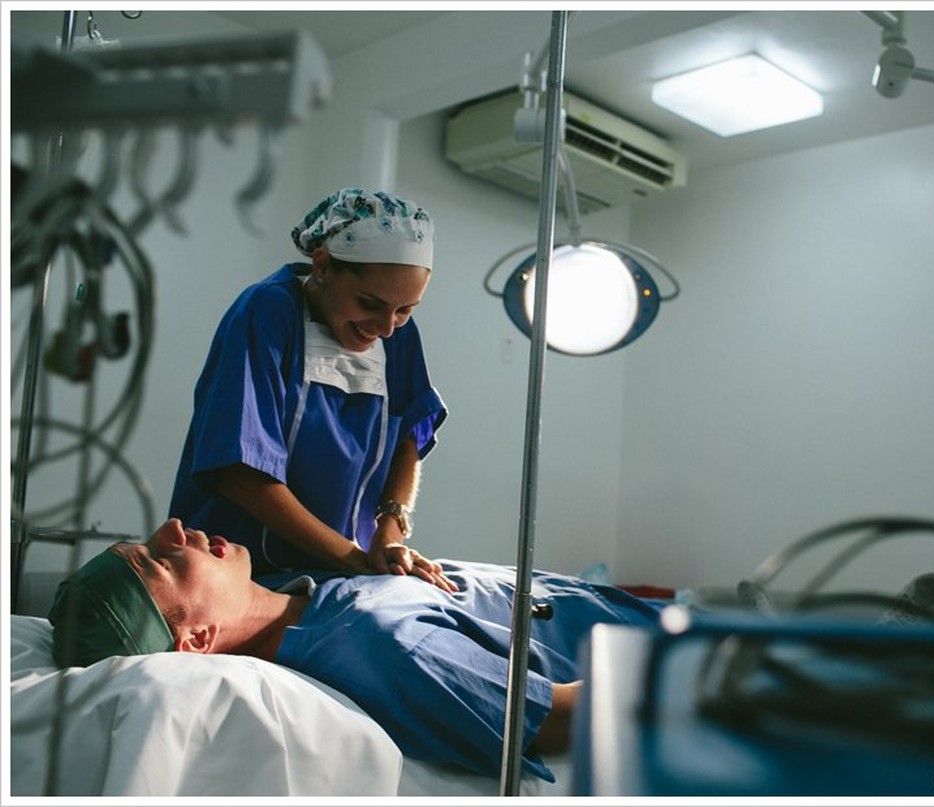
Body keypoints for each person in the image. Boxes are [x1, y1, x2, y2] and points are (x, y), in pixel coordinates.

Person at [47, 519, 665, 782]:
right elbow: (559, 718)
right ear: (196, 641)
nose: (173, 530)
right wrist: (716, 652)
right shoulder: (377, 645)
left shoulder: (318, 601)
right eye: (161, 559)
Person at [168, 188, 450, 586]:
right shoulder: (267, 312)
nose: (386, 327)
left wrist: (389, 530)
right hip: (231, 572)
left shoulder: (395, 334)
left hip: (335, 571)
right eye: (370, 304)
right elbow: (238, 471)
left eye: (405, 310)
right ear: (322, 265)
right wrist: (355, 560)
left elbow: (410, 436)